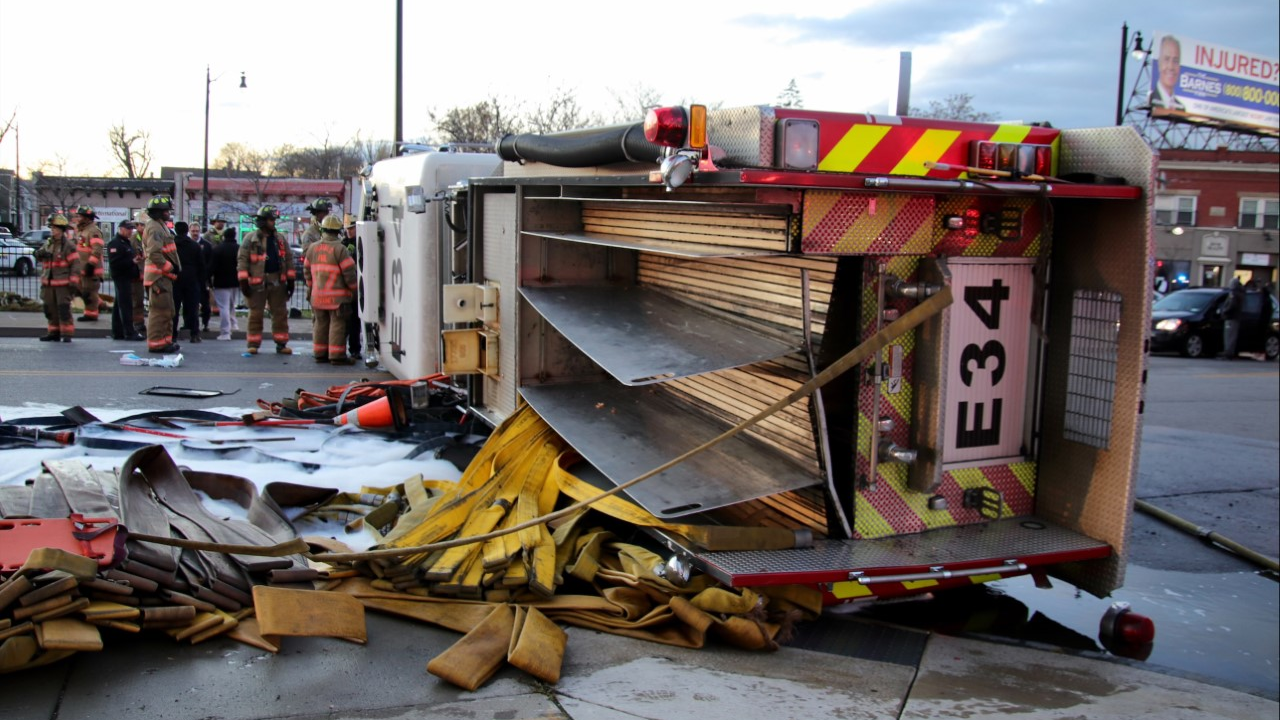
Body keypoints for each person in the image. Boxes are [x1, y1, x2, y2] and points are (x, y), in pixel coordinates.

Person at [237, 204, 295, 355]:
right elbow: (242, 261)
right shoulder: (250, 239)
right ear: (263, 221)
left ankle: (281, 344)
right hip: (257, 284)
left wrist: (291, 282)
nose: (273, 222)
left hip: (277, 282)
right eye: (271, 220)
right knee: (255, 315)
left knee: (280, 314)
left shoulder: (280, 239)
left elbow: (289, 259)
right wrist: (243, 282)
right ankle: (253, 344)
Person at [304, 215, 358, 364]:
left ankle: (320, 353)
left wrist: (311, 287)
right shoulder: (340, 249)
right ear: (337, 231)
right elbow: (349, 274)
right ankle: (336, 356)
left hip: (317, 296)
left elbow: (306, 271)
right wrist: (354, 290)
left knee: (320, 324)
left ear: (323, 230)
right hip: (337, 299)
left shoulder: (312, 248)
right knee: (337, 325)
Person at [33, 214, 82, 342]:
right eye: (51, 228)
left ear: (61, 229)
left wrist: (73, 281)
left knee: (63, 309)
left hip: (62, 285)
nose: (52, 230)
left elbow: (75, 265)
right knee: (49, 309)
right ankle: (53, 332)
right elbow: (39, 256)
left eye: (54, 228)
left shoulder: (68, 246)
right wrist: (39, 253)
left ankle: (67, 334)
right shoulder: (49, 243)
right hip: (48, 284)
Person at [142, 195, 182, 354]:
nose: (168, 213)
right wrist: (170, 267)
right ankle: (156, 343)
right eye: (166, 211)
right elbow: (154, 254)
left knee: (167, 311)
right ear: (158, 212)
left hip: (163, 277)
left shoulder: (160, 226)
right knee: (159, 312)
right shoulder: (155, 228)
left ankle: (165, 341)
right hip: (158, 278)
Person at [106, 220, 145, 341]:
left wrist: (136, 260)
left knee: (119, 305)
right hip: (121, 277)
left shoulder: (125, 242)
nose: (130, 231)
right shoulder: (115, 243)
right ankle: (129, 332)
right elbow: (115, 263)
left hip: (127, 277)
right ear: (121, 229)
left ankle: (118, 332)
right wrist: (132, 261)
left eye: (131, 229)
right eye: (128, 229)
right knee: (126, 306)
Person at [171, 221, 205, 344]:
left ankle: (172, 335)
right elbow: (201, 265)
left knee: (174, 308)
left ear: (175, 230)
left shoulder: (172, 245)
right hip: (191, 278)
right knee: (192, 307)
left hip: (175, 278)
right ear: (187, 231)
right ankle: (194, 334)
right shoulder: (194, 245)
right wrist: (202, 282)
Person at [72, 204, 105, 322]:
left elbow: (97, 250)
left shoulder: (93, 231)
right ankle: (100, 304)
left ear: (87, 218)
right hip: (81, 269)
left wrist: (91, 265)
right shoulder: (81, 231)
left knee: (89, 292)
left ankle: (91, 314)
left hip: (91, 269)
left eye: (80, 216)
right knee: (80, 290)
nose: (78, 218)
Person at [210, 227, 241, 340]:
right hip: (236, 281)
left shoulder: (218, 249)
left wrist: (207, 278)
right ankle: (234, 324)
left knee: (223, 307)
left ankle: (225, 332)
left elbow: (212, 266)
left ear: (224, 236)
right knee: (232, 304)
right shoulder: (239, 248)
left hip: (221, 282)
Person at [342, 214, 361, 359]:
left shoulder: (361, 243)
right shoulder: (342, 244)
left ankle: (355, 349)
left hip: (357, 286)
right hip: (344, 287)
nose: (349, 231)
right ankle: (339, 349)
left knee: (355, 320)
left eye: (352, 228)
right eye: (347, 229)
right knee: (343, 321)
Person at [1152, 35, 1185, 111]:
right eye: (1166, 59)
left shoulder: (1181, 108)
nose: (1171, 67)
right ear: (1159, 63)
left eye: (1175, 61)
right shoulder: (1151, 99)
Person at [130, 210, 147, 336]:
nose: (142, 227)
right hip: (138, 275)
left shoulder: (150, 237)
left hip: (150, 273)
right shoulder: (133, 239)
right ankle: (138, 323)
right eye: (140, 225)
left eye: (144, 225)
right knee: (137, 300)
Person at [1219, 277, 1245, 360]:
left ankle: (1228, 352)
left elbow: (1232, 305)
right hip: (1235, 317)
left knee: (1229, 336)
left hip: (1231, 317)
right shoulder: (1240, 293)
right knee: (1232, 336)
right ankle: (1229, 351)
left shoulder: (1233, 294)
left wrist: (1224, 311)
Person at [197, 225, 214, 331]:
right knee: (190, 303)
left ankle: (205, 323)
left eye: (196, 231)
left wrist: (207, 275)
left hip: (204, 279)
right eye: (193, 231)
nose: (195, 233)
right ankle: (189, 323)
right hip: (192, 278)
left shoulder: (207, 245)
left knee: (205, 303)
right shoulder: (188, 244)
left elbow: (210, 262)